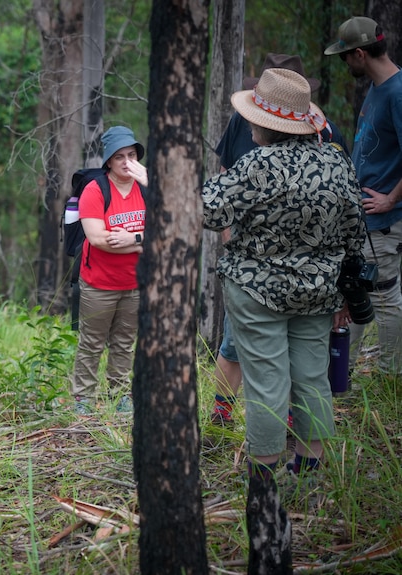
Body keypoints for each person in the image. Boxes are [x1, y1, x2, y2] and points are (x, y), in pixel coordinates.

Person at [202, 68, 365, 488]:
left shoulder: (258, 164)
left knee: (266, 381)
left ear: (267, 124)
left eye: (254, 118)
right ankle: (308, 475)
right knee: (312, 378)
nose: (249, 124)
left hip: (256, 291)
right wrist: (347, 292)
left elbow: (210, 212)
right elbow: (355, 231)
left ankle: (263, 480)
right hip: (319, 292)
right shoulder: (336, 161)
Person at [325, 17, 402, 376]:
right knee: (356, 290)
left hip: (384, 221)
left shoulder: (397, 93)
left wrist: (391, 199)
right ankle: (342, 377)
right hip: (364, 220)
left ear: (360, 53)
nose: (345, 63)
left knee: (385, 296)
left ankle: (389, 376)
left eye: (345, 56)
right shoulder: (378, 87)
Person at [71, 126, 146, 415]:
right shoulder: (95, 190)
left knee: (125, 343)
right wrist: (142, 244)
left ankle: (120, 395)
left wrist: (132, 238)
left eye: (132, 155)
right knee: (91, 343)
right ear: (109, 161)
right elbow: (98, 239)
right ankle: (83, 398)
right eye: (119, 157)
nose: (127, 162)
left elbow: (168, 230)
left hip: (135, 283)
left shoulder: (147, 188)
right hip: (99, 283)